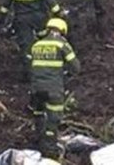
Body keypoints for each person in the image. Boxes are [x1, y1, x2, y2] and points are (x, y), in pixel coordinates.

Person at [28, 17, 80, 159]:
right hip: (54, 88)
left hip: (36, 88)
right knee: (53, 119)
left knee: (38, 113)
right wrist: (66, 73)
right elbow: (76, 67)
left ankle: (38, 140)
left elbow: (31, 66)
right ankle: (50, 151)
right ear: (62, 30)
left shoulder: (36, 45)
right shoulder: (62, 44)